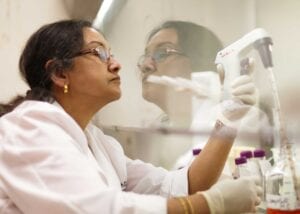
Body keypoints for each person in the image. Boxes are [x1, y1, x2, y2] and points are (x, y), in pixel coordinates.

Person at [0, 19, 261, 214]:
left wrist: (228, 119)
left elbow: (180, 184)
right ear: (60, 73)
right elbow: (98, 210)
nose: (116, 64)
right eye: (98, 53)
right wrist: (209, 205)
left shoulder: (97, 141)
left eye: (111, 54)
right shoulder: (27, 129)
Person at [138, 20, 272, 171]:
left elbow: (205, 178)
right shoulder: (158, 133)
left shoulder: (242, 118)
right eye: (146, 56)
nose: (145, 65)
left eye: (162, 53)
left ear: (199, 61)